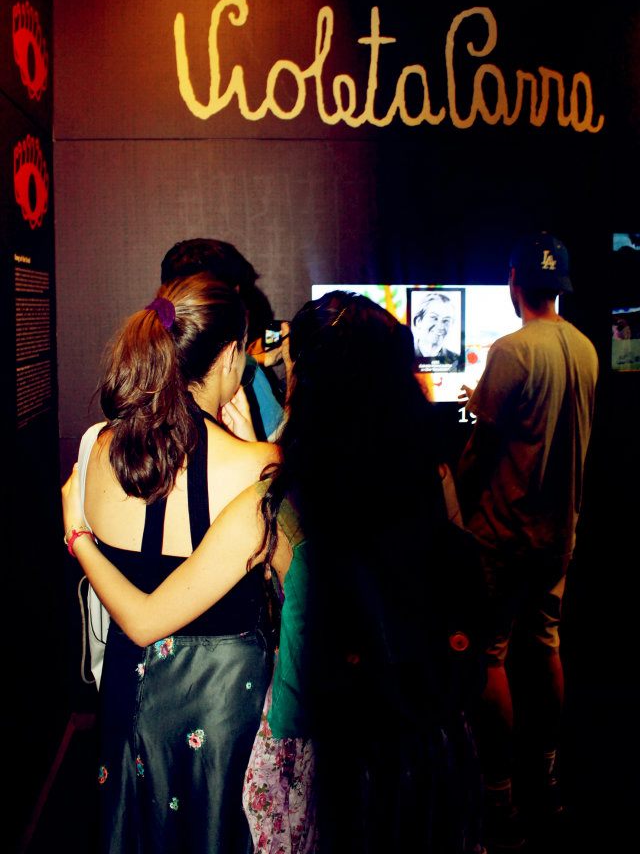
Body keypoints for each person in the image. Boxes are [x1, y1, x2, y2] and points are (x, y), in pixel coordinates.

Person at [62, 290, 489, 854]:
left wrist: (78, 538)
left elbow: (146, 620)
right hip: (426, 739)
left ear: (306, 385)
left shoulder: (274, 497)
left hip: (325, 745)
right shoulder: (432, 479)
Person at [73, 273, 279, 854]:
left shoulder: (99, 448)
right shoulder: (257, 467)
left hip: (127, 690)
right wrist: (259, 446)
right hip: (219, 709)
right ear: (231, 354)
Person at [455, 231, 598, 852]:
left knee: (491, 653)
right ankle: (548, 775)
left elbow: (484, 443)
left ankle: (500, 793)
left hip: (504, 532)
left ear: (514, 281)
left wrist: (455, 497)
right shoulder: (586, 347)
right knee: (547, 644)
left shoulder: (512, 350)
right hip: (560, 531)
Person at [161, 238, 285, 442]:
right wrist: (291, 367)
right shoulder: (248, 376)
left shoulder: (146, 372)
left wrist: (255, 358)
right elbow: (284, 446)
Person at [412, 291, 462, 371]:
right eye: (434, 318)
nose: (440, 326)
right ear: (418, 321)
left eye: (446, 320)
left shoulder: (456, 360)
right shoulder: (404, 355)